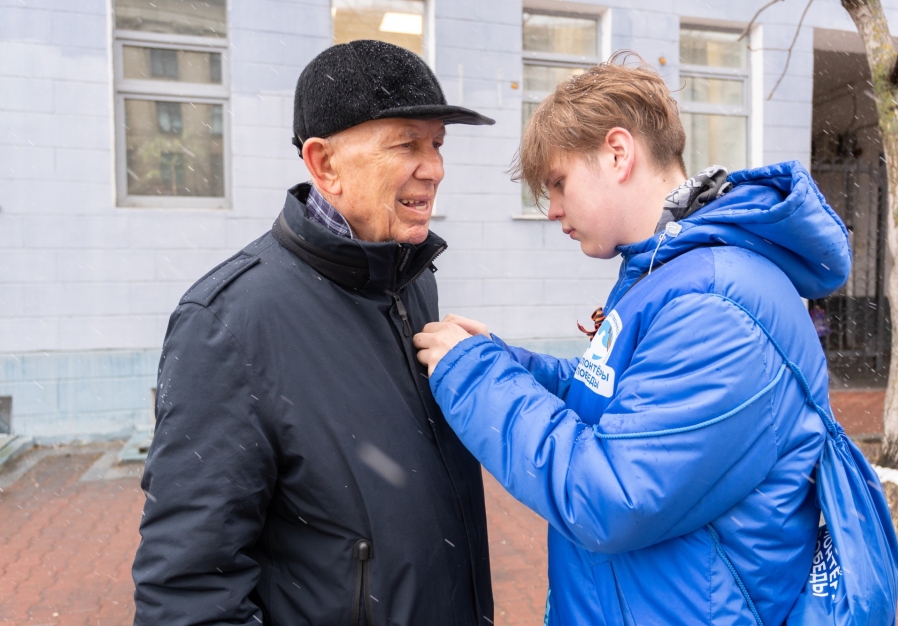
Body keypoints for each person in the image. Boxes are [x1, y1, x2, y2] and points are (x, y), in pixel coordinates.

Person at [414, 56, 855, 624]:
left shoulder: (716, 304)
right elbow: (617, 398)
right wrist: (506, 362)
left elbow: (612, 497)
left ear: (618, 154)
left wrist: (475, 375)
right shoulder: (668, 274)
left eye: (558, 183)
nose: (552, 210)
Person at [132, 40, 496, 625]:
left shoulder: (408, 278)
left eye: (438, 144)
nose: (435, 168)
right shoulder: (228, 322)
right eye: (407, 144)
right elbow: (189, 593)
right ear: (324, 164)